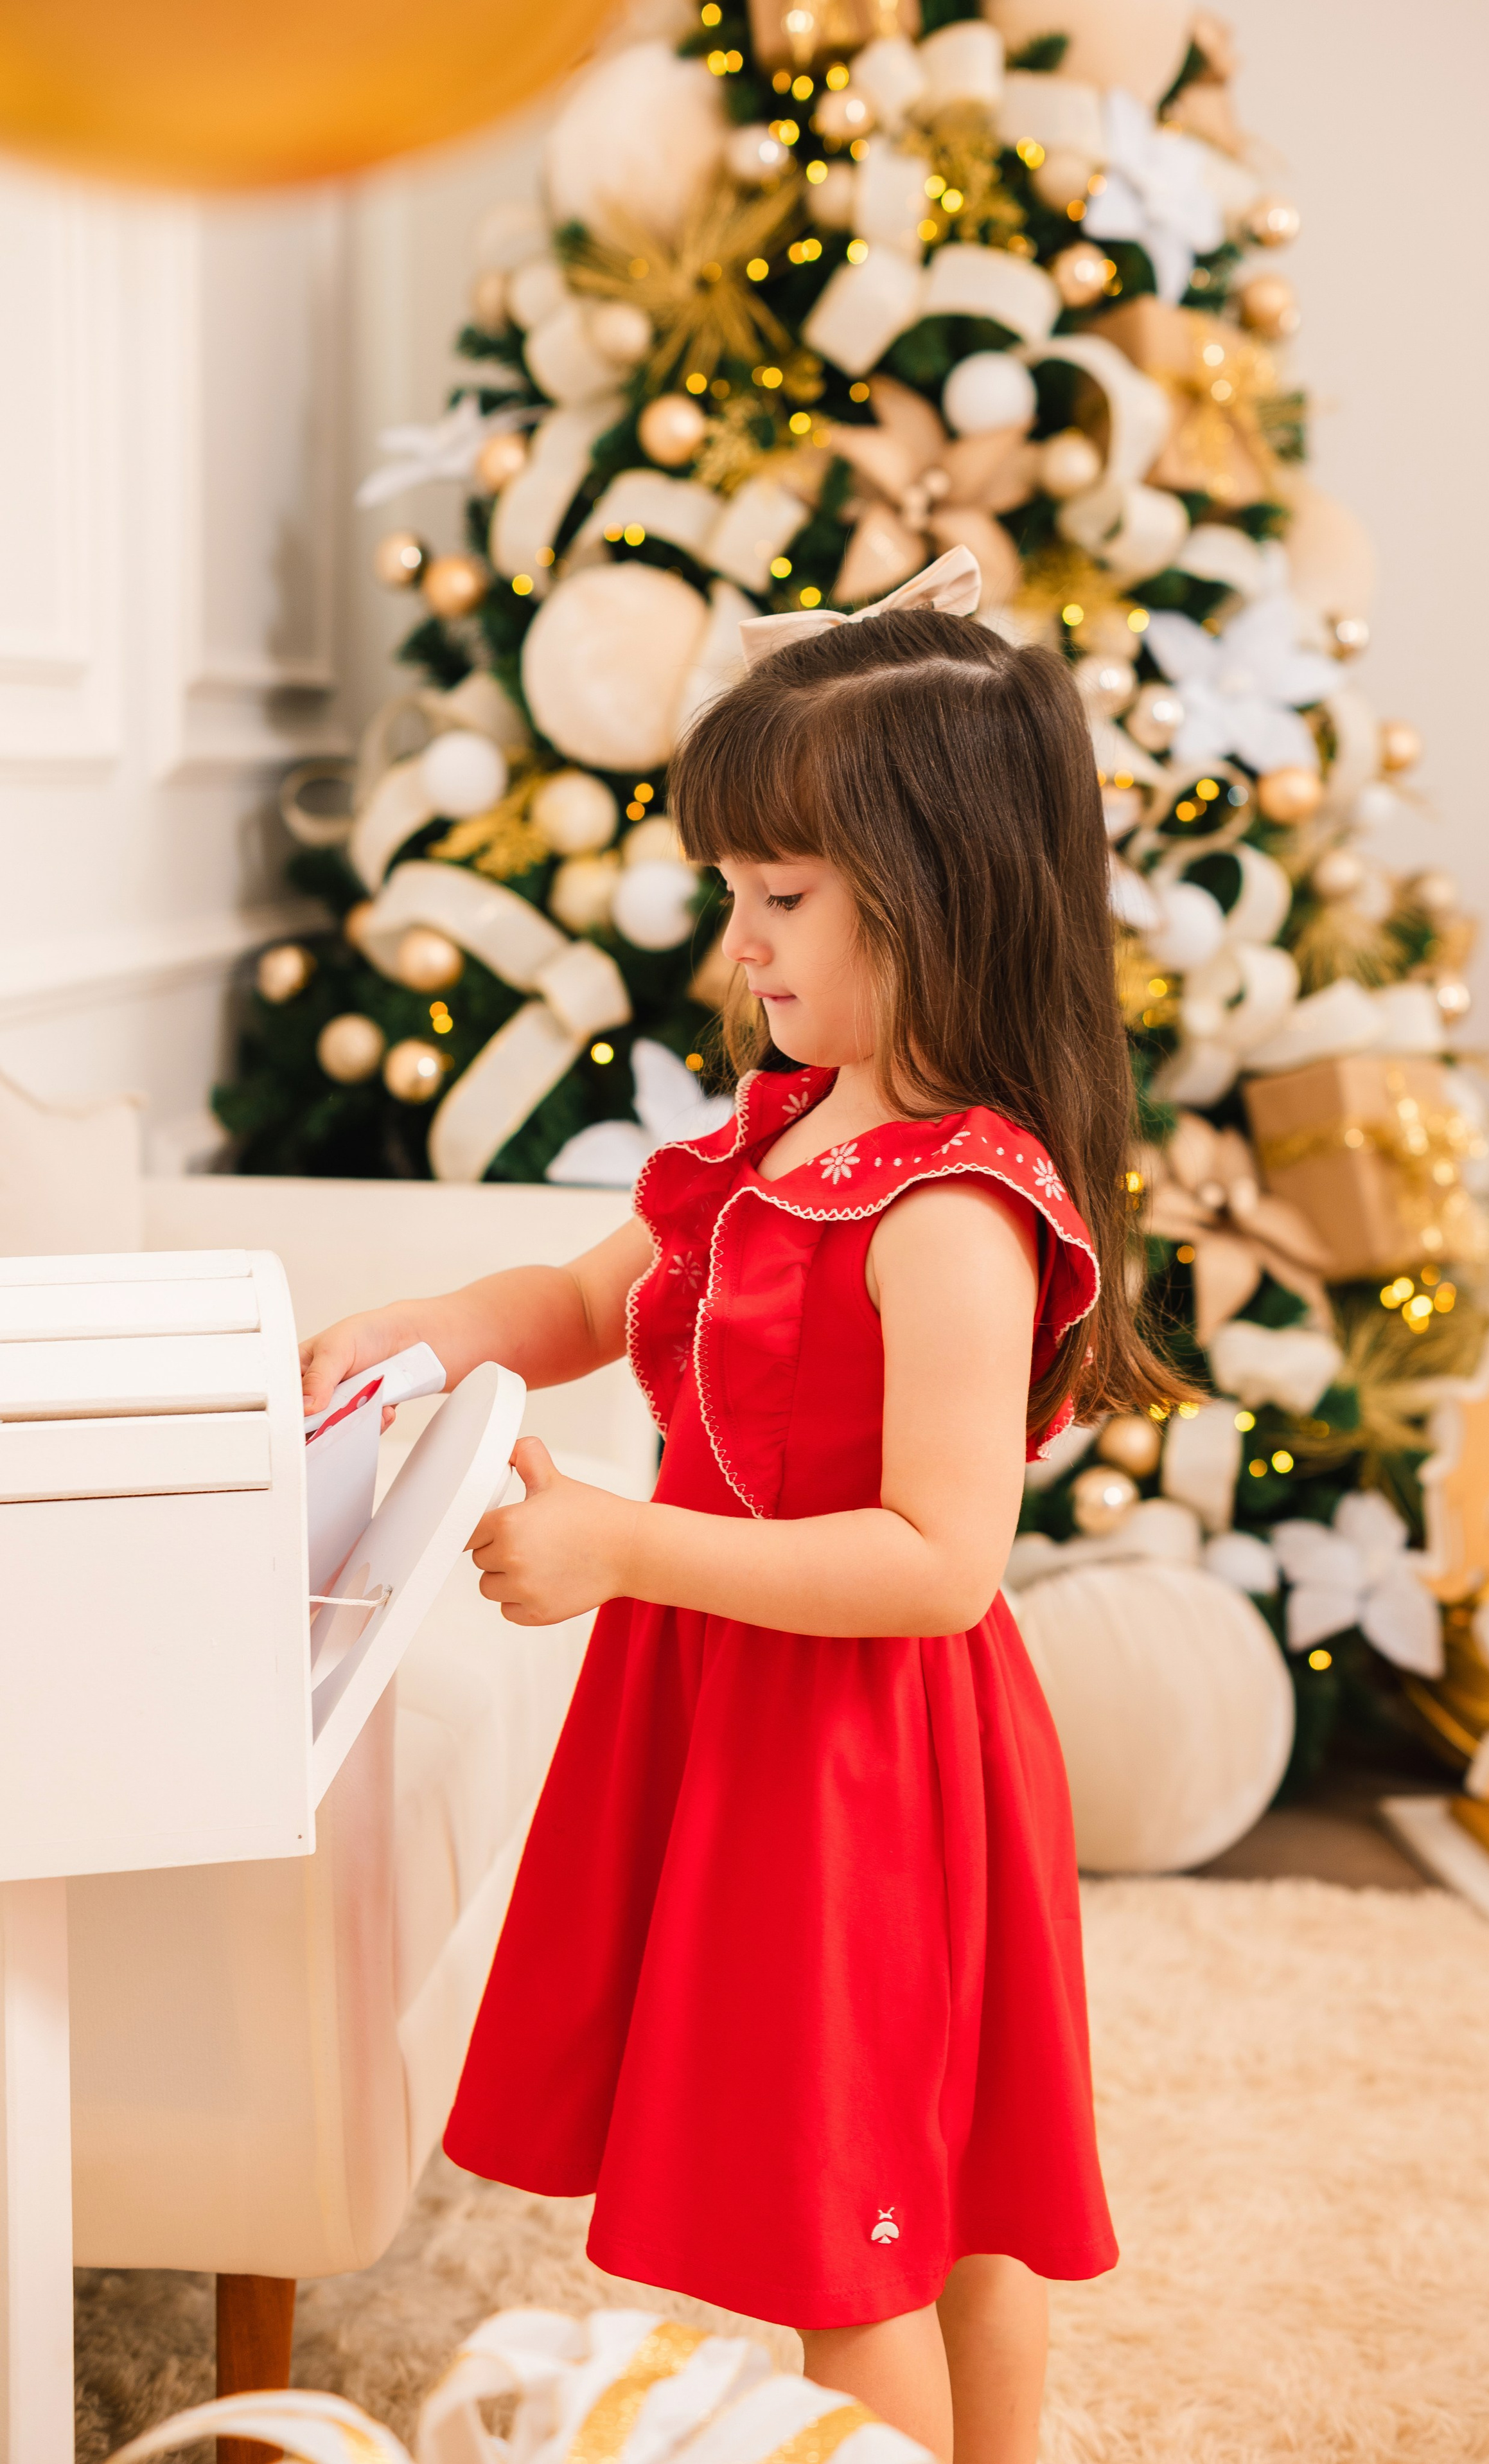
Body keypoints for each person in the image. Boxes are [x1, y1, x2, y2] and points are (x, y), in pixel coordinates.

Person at [299, 549, 1183, 2463]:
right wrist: (446, 1324)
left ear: (934, 897)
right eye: (731, 897)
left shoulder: (952, 1209)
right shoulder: (786, 1127)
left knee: (870, 2234)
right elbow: (604, 1299)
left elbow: (939, 1563)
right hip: (746, 1715)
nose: (742, 947)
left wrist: (619, 1545)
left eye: (780, 898)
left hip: (863, 1751)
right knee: (888, 2190)